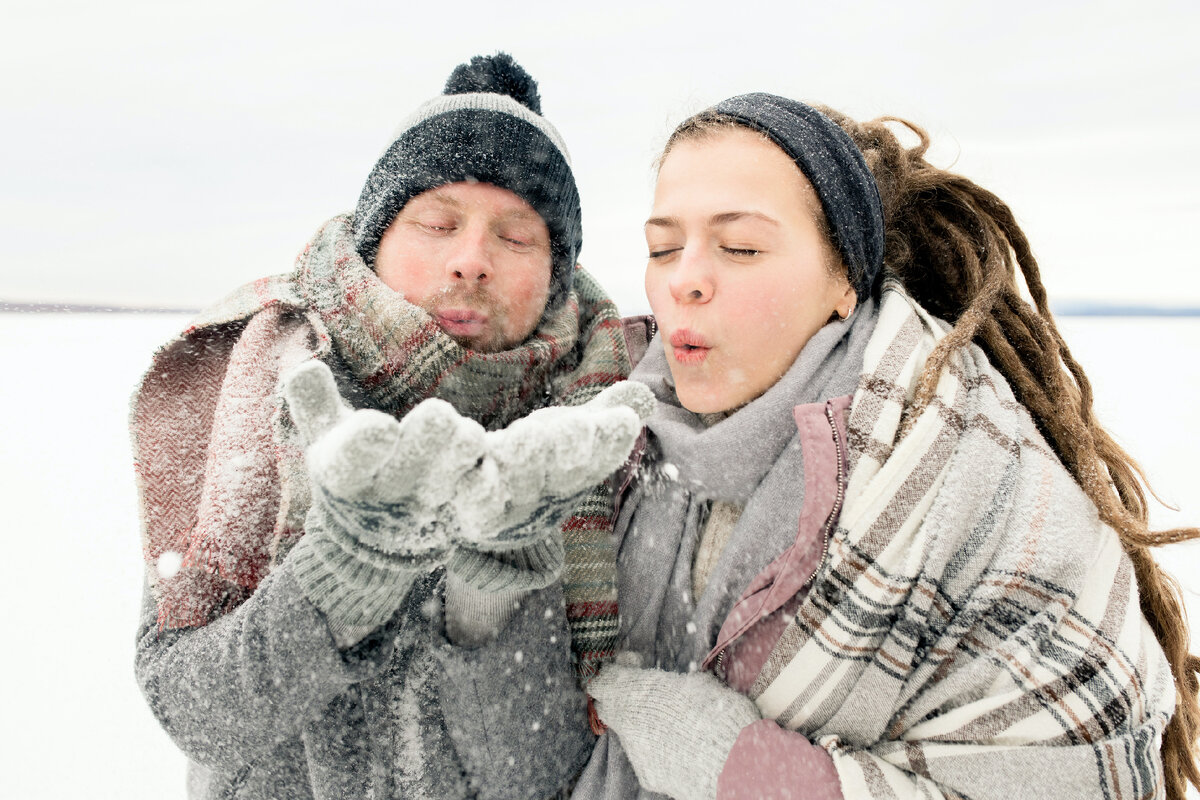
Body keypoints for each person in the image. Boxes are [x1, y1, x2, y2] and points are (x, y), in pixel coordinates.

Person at [572, 94, 1200, 799]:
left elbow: (1096, 766)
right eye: (662, 248)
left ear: (844, 278)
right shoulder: (604, 431)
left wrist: (746, 771)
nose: (683, 278)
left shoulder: (966, 471)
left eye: (740, 247)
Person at [131, 53, 652, 799]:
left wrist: (493, 586)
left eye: (516, 237)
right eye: (437, 223)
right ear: (377, 238)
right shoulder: (266, 381)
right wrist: (345, 572)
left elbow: (547, 770)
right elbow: (196, 712)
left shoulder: (601, 420)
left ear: (557, 273)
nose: (472, 260)